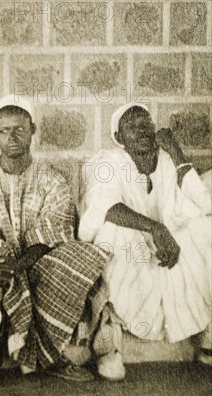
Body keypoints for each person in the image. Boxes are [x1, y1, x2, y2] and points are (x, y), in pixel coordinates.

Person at [0, 95, 111, 388]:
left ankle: (50, 354)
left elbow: (56, 226)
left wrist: (21, 263)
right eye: (4, 130)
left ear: (33, 130)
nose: (12, 137)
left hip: (33, 263)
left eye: (19, 129)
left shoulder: (51, 179)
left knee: (80, 255)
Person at [79, 103, 212, 380]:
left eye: (146, 124)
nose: (142, 130)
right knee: (115, 232)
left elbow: (199, 206)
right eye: (132, 126)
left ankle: (208, 339)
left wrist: (176, 153)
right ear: (119, 137)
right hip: (131, 249)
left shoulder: (164, 161)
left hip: (160, 251)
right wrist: (155, 229)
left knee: (203, 228)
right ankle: (108, 338)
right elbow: (106, 207)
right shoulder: (108, 161)